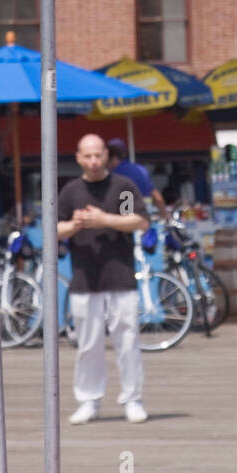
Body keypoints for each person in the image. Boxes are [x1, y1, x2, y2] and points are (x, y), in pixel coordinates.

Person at [58, 133, 148, 424]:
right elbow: (54, 229)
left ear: (107, 156)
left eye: (99, 155)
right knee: (87, 343)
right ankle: (88, 400)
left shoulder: (122, 187)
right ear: (78, 158)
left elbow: (136, 221)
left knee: (127, 340)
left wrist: (104, 219)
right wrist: (74, 225)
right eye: (88, 156)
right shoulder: (71, 191)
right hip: (85, 278)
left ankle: (132, 398)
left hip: (120, 276)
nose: (94, 161)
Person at [106, 138, 167, 216]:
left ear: (113, 158)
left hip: (125, 220)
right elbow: (156, 197)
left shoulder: (113, 175)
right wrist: (164, 215)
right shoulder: (141, 170)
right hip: (145, 217)